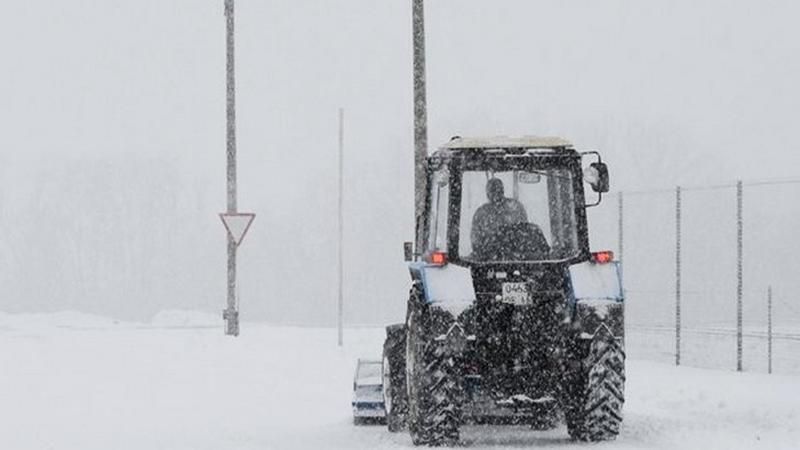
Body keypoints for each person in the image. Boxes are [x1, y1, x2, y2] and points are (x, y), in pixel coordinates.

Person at [470, 178, 529, 259]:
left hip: (510, 259)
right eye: (493, 191)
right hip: (498, 259)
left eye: (498, 191)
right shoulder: (515, 207)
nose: (496, 195)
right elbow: (476, 243)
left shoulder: (515, 208)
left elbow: (524, 232)